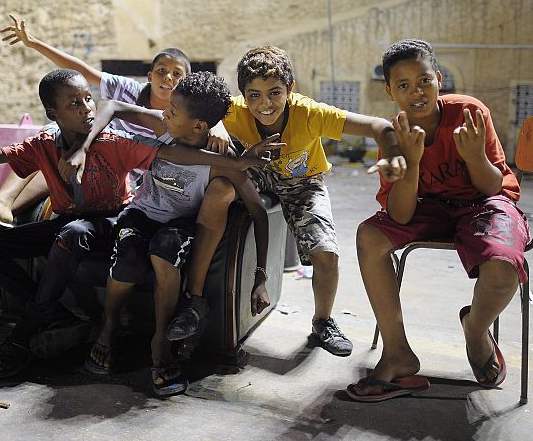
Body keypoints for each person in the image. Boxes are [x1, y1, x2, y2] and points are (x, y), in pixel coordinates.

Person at [0, 69, 270, 381]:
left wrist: (235, 161)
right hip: (73, 220)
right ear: (53, 114)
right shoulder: (45, 143)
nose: (86, 108)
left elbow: (172, 153)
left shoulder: (115, 142)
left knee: (76, 234)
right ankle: (58, 318)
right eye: (74, 103)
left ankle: (29, 331)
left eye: (86, 99)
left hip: (107, 222)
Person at [168, 45, 407, 358]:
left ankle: (323, 322)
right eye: (254, 95)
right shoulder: (235, 110)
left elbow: (380, 126)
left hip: (303, 183)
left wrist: (392, 154)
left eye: (274, 93)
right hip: (256, 171)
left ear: (290, 89)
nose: (264, 104)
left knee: (325, 254)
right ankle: (194, 300)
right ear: (243, 95)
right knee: (220, 189)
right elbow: (211, 114)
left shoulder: (310, 113)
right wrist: (218, 127)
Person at [67, 72, 274, 396]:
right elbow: (111, 106)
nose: (164, 113)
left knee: (164, 253)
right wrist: (84, 145)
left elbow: (259, 212)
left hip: (178, 224)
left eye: (173, 111)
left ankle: (160, 343)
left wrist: (261, 275)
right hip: (140, 213)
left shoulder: (223, 159)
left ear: (198, 126)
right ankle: (108, 327)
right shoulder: (164, 127)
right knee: (128, 261)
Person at [346, 39, 528, 402]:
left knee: (504, 269)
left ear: (439, 79)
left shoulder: (469, 113)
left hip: (482, 203)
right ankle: (398, 353)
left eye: (424, 80)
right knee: (369, 235)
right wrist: (411, 162)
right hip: (426, 208)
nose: (416, 92)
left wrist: (475, 157)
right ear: (390, 91)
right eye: (403, 85)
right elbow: (400, 214)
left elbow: (494, 186)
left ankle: (476, 330)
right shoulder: (392, 135)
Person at [0, 14, 230, 239]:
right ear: (149, 75)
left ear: (187, 82)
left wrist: (219, 126)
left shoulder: (190, 115)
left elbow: (210, 113)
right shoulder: (129, 90)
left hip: (138, 173)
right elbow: (82, 71)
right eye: (161, 71)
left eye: (177, 74)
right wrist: (34, 43)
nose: (168, 78)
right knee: (50, 140)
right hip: (107, 155)